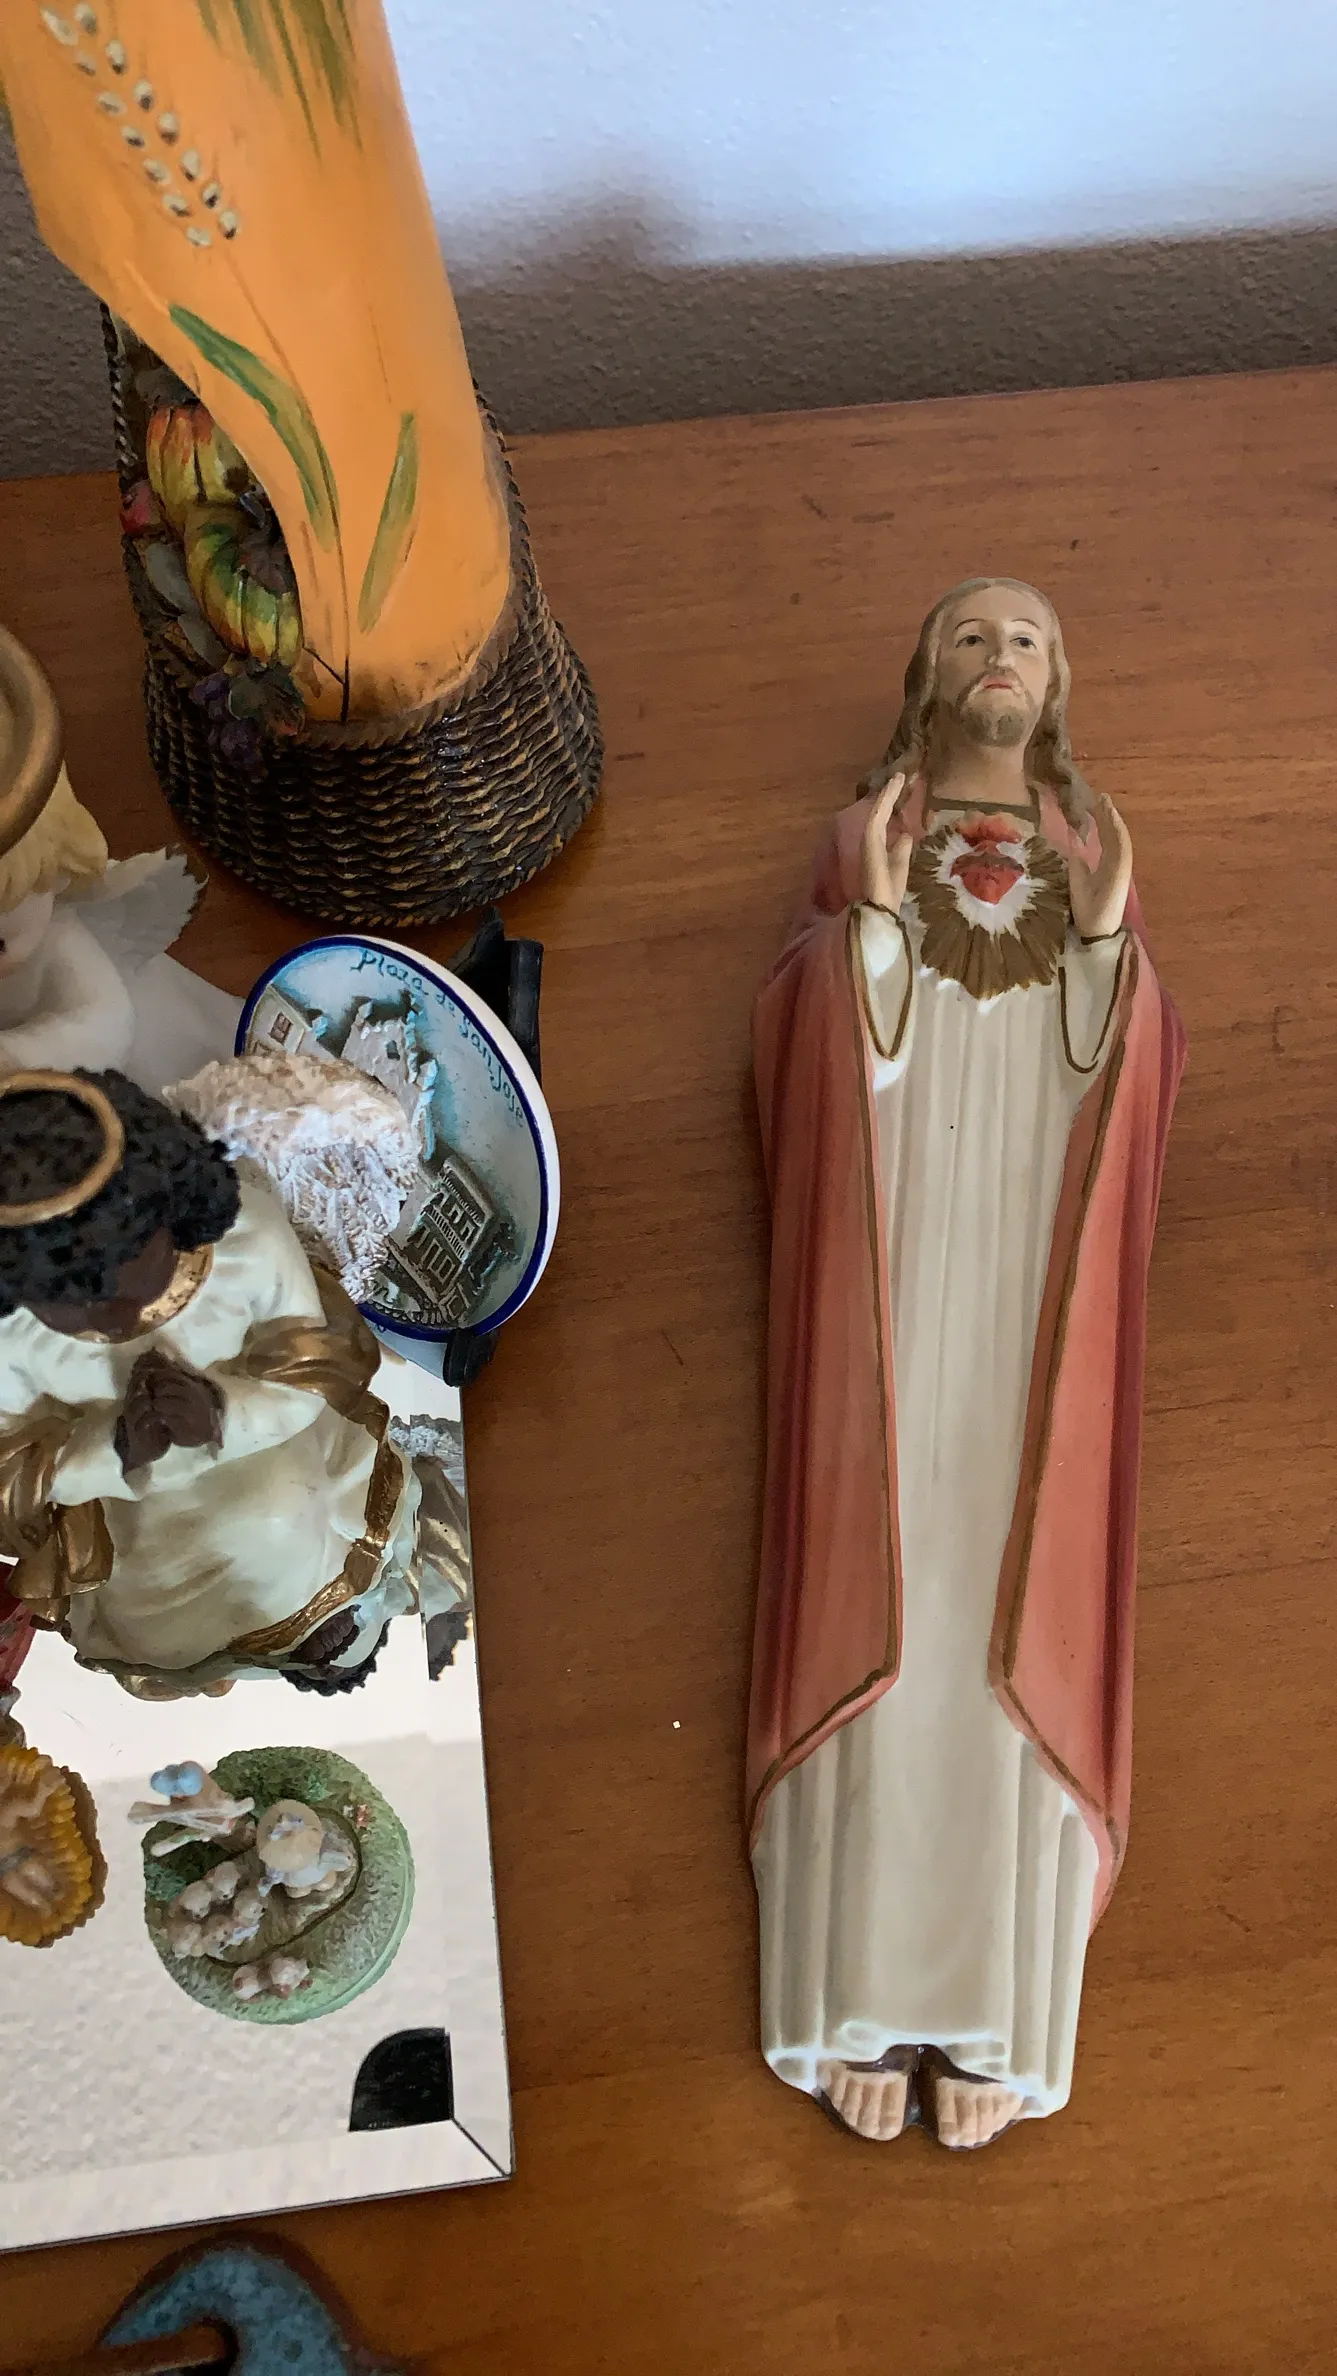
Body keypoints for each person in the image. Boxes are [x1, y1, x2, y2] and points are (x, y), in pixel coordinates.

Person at [748, 578, 1186, 2148]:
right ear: (925, 673)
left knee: (1017, 1562)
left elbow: (1122, 1076)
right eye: (972, 634)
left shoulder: (1086, 851)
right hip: (894, 1247)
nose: (1000, 656)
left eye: (1028, 639)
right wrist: (866, 932)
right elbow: (798, 1037)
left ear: (1054, 686)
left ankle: (1000, 2006)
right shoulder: (862, 837)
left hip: (1031, 1269)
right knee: (889, 1565)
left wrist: (1111, 953)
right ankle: (854, 1983)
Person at [0, 1067, 420, 1696]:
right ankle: (212, 1647)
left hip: (268, 1441)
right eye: (71, 1307)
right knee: (156, 1617)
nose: (113, 1321)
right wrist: (115, 1448)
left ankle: (323, 1605)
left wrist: (224, 1412)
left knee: (275, 1513)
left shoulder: (246, 1244)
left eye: (133, 1284)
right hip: (121, 1503)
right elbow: (10, 1469)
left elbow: (317, 1364)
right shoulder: (10, 1336)